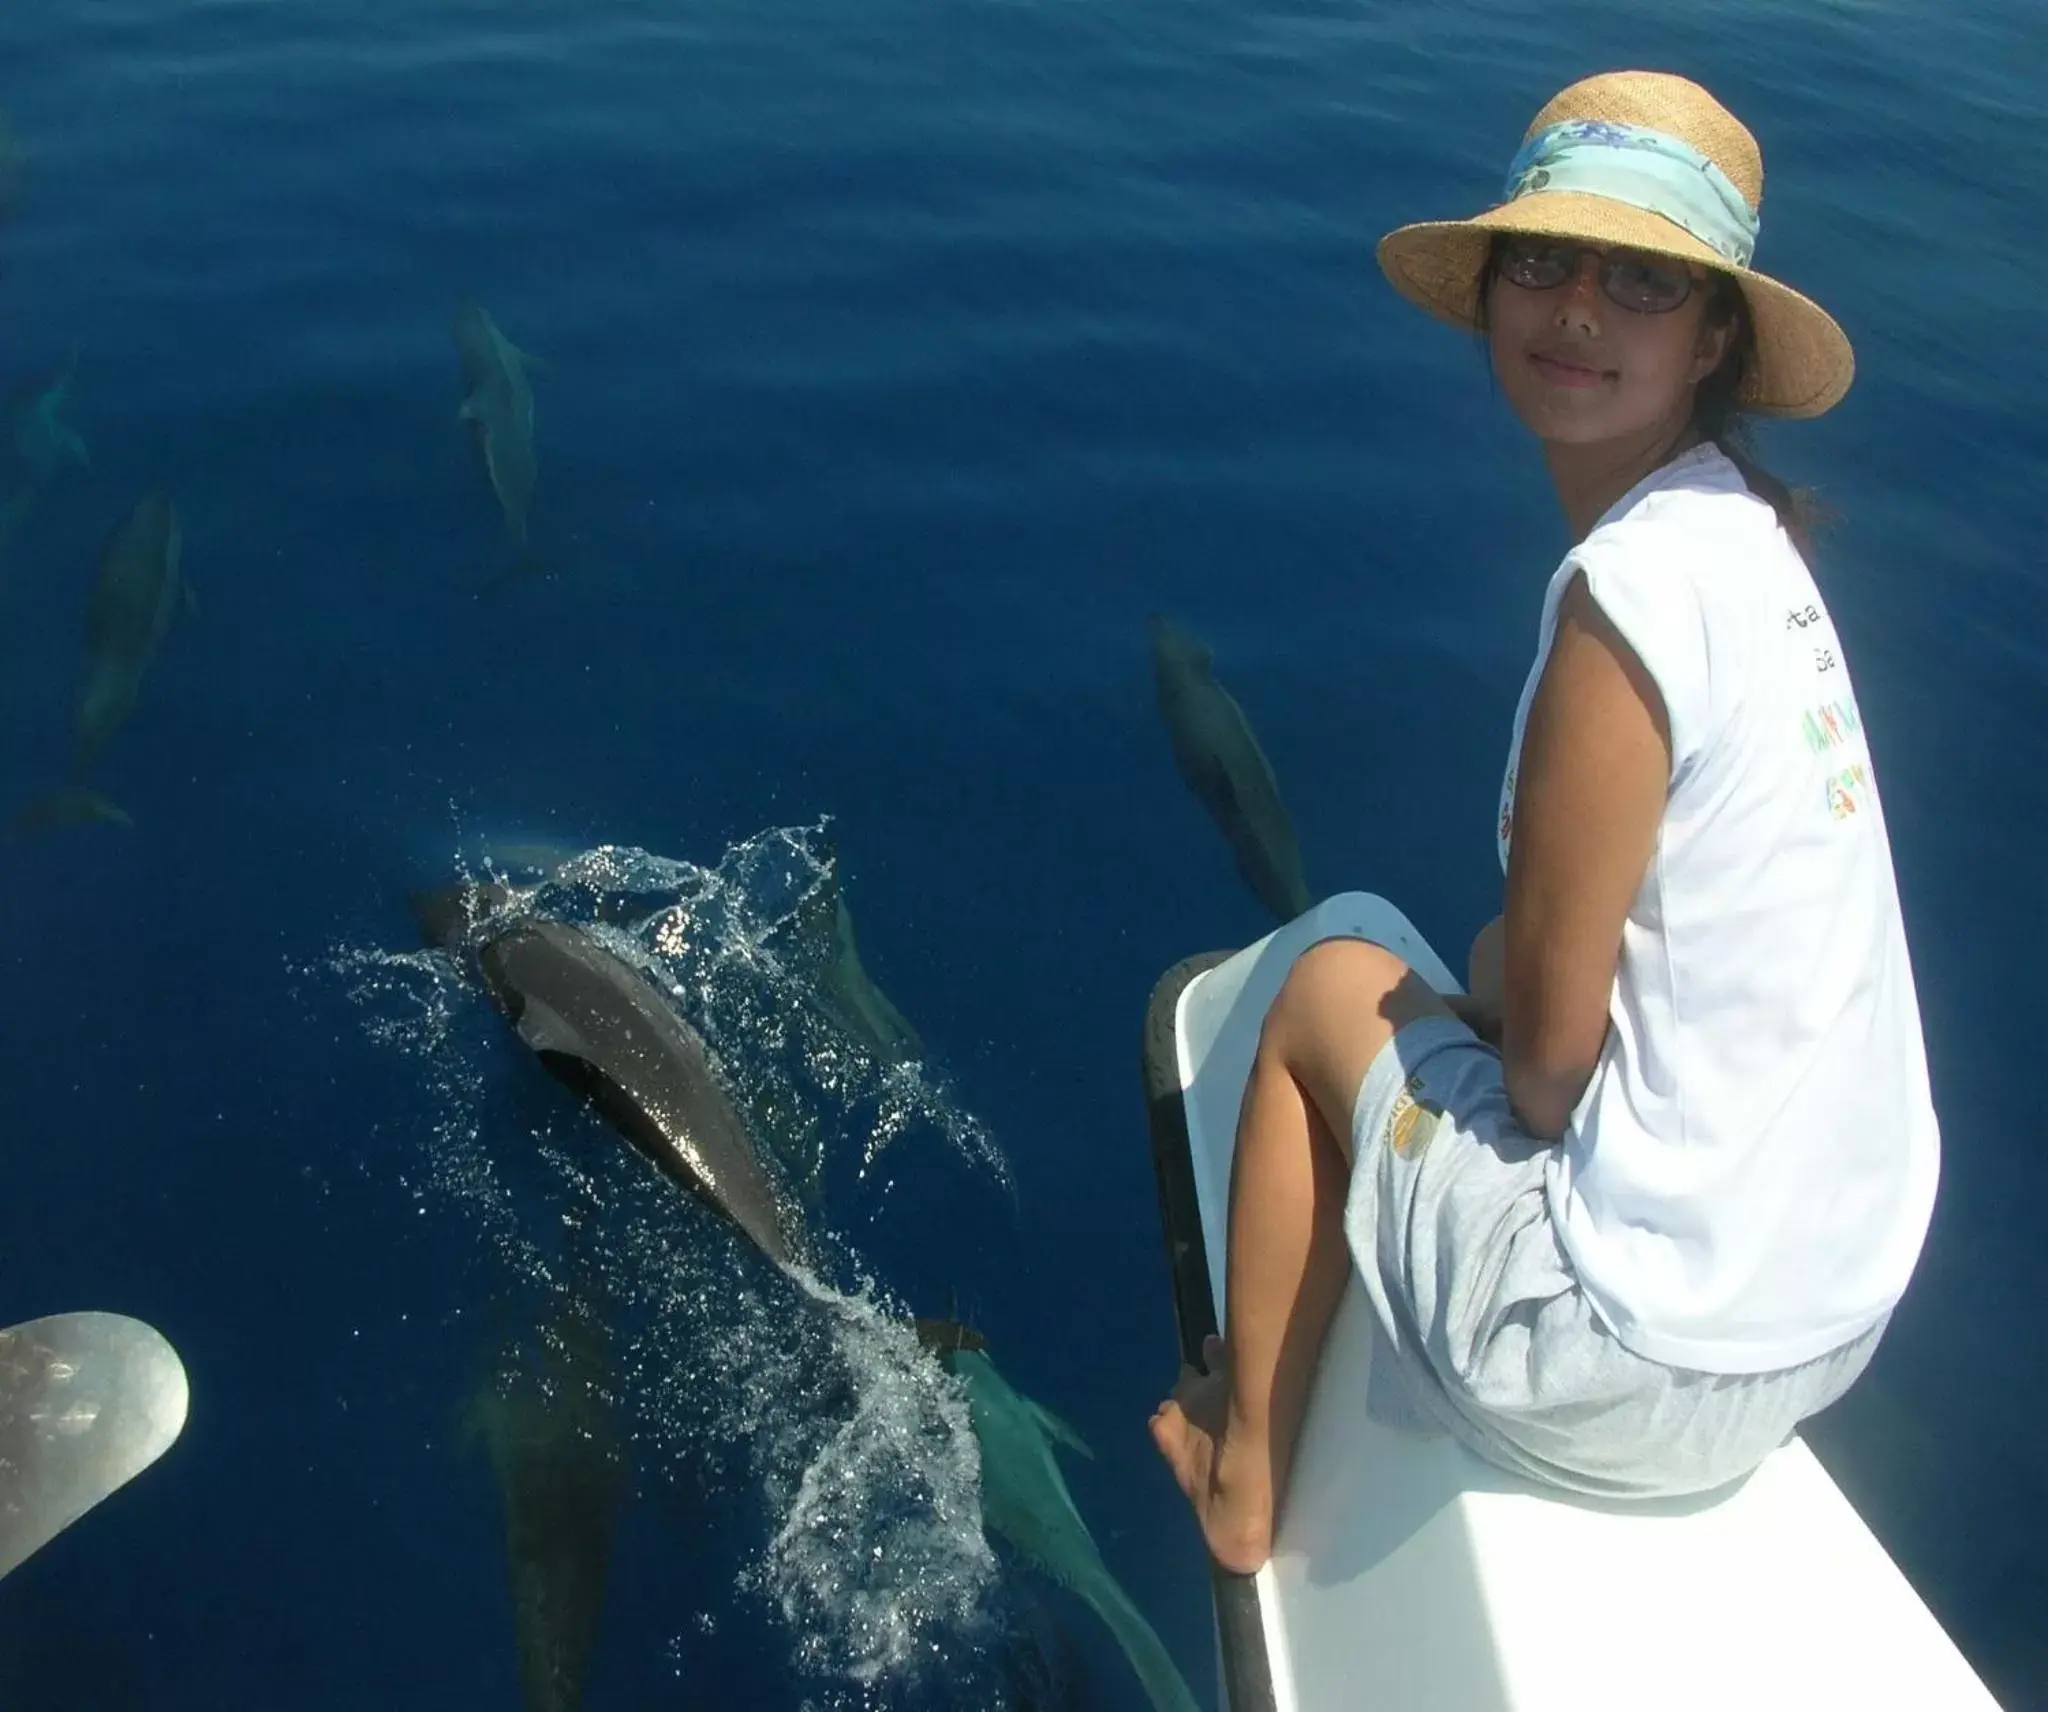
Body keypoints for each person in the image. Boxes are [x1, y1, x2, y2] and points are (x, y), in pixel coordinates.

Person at [1148, 70, 1940, 1576]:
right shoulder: (1752, 556)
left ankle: (1237, 1468)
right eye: (1545, 260)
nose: (1580, 308)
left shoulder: (1619, 614)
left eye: (1643, 278)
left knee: (1327, 979)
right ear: (1492, 293)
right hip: (1830, 1328)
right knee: (1490, 951)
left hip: (1629, 1371)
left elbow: (1559, 1072)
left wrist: (1498, 1017)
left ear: (1713, 336)